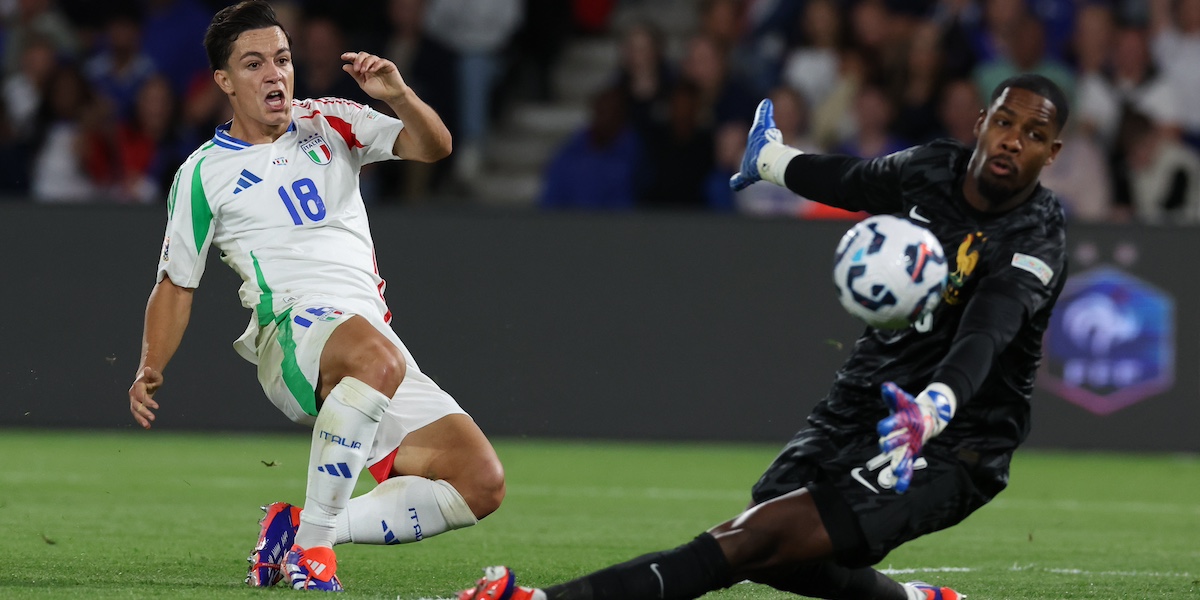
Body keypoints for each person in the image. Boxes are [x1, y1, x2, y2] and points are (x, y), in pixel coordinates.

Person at [458, 72, 1070, 600]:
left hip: (953, 440)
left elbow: (986, 336)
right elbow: (851, 179)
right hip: (868, 397)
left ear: (1052, 154)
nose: (1014, 140)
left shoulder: (1036, 239)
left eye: (1034, 135)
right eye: (1005, 122)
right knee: (775, 518)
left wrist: (933, 412)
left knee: (757, 537)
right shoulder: (932, 168)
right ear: (980, 122)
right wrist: (771, 161)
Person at [126, 1, 505, 592]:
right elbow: (176, 282)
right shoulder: (203, 174)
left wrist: (399, 96)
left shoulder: (330, 119)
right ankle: (312, 555)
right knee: (378, 357)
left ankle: (301, 530)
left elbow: (434, 148)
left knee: (479, 482)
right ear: (224, 82)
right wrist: (151, 366)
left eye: (282, 59)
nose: (275, 74)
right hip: (293, 336)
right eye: (254, 64)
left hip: (370, 342)